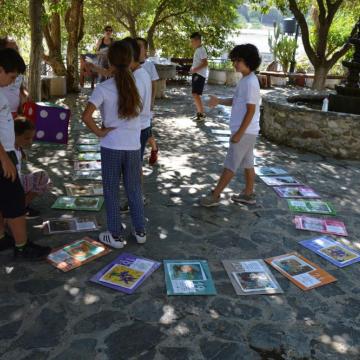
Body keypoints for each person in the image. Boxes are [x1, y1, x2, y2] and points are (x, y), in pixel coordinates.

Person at [82, 40, 146, 248]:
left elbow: (86, 116)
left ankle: (115, 234)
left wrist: (100, 131)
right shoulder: (136, 84)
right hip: (133, 146)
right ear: (129, 61)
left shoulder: (103, 88)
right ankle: (140, 230)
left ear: (109, 61)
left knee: (110, 190)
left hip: (111, 146)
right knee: (134, 189)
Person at [0, 48, 51, 259]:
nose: (12, 82)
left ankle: (2, 238)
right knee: (14, 201)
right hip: (3, 155)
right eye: (11, 77)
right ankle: (22, 246)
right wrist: (5, 158)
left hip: (5, 152)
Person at [199, 44, 261, 207]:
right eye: (234, 60)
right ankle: (248, 194)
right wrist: (219, 101)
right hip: (248, 131)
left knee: (230, 164)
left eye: (238, 60)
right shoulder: (246, 80)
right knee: (248, 163)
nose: (235, 64)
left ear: (249, 61)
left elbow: (251, 110)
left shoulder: (251, 83)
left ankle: (215, 195)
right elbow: (237, 102)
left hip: (245, 132)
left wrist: (240, 133)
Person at [119, 37, 151, 214]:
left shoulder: (138, 77)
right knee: (135, 166)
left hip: (138, 128)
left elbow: (134, 107)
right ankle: (137, 197)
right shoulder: (140, 74)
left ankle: (136, 199)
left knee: (132, 169)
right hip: (142, 126)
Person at [14, 118, 52, 219]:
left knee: (42, 176)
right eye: (27, 138)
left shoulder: (18, 148)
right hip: (9, 184)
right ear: (14, 135)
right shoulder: (8, 149)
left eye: (31, 138)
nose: (30, 141)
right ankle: (17, 210)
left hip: (17, 180)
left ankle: (22, 207)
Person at [136, 37, 159, 165]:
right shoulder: (131, 65)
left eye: (141, 46)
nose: (138, 49)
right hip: (136, 107)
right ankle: (154, 148)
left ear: (145, 50)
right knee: (146, 131)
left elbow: (154, 84)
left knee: (146, 130)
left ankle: (154, 149)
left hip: (146, 105)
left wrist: (152, 102)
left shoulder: (149, 65)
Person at [0, 37, 28, 118]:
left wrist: (24, 95)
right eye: (12, 49)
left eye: (17, 48)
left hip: (14, 112)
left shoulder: (17, 69)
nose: (16, 51)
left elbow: (20, 87)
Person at [190, 32, 208, 122]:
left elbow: (205, 63)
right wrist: (193, 69)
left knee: (195, 94)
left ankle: (201, 114)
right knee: (195, 94)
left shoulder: (201, 49)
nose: (192, 43)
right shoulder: (198, 49)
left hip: (199, 75)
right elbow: (198, 62)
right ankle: (199, 113)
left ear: (198, 40)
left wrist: (195, 70)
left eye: (193, 41)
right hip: (197, 74)